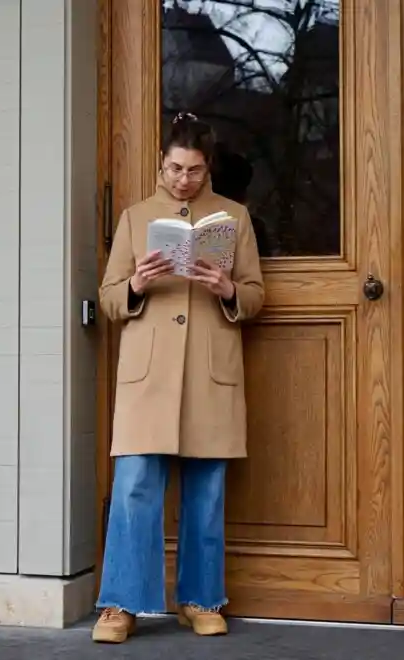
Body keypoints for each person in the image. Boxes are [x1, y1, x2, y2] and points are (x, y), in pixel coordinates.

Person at [92, 112, 264, 644]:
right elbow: (108, 298)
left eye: (194, 170)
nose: (183, 179)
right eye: (174, 168)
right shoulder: (135, 218)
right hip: (148, 376)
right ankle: (120, 604)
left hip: (209, 372)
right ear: (161, 163)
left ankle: (200, 599)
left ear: (208, 167)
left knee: (206, 492)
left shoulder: (234, 219)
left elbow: (256, 294)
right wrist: (137, 284)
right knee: (134, 488)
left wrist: (228, 289)